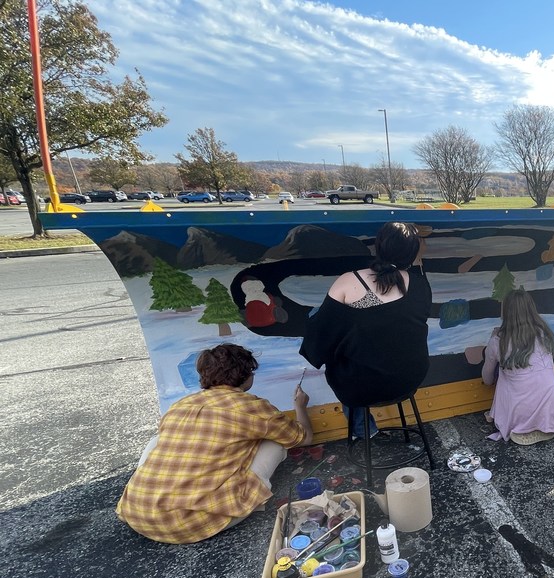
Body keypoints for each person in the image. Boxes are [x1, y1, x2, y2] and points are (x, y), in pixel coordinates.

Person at [116, 344, 314, 544]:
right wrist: (300, 406)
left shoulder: (180, 405)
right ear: (246, 375)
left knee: (157, 441)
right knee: (275, 442)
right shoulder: (252, 407)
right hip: (193, 522)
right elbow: (304, 437)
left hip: (139, 513)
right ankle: (250, 500)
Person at [299, 222, 431, 439]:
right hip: (410, 378)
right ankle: (363, 428)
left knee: (338, 343)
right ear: (413, 252)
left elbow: (320, 338)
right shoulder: (419, 284)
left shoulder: (348, 281)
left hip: (360, 388)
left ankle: (363, 430)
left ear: (378, 247)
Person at [482, 288, 554, 445]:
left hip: (518, 415)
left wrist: (492, 340)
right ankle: (543, 425)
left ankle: (506, 417)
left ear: (506, 312)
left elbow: (487, 379)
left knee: (502, 371)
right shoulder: (545, 334)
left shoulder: (498, 341)